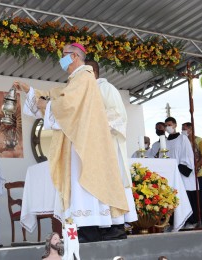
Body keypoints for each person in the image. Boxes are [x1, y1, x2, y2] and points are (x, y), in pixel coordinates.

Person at [14, 43, 129, 243]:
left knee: (83, 183)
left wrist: (46, 105)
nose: (62, 60)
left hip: (84, 144)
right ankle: (88, 229)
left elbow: (67, 105)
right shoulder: (76, 80)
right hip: (80, 142)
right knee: (81, 184)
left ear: (75, 56)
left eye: (64, 55)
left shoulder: (84, 77)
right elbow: (58, 95)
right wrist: (31, 92)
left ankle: (88, 229)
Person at [85, 60, 137, 240]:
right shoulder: (87, 91)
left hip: (109, 147)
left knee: (111, 183)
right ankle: (103, 224)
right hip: (94, 148)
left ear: (92, 72)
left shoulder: (106, 89)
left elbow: (118, 116)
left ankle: (116, 226)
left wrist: (93, 121)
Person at [164, 117, 197, 228]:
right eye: (166, 125)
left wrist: (179, 167)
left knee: (185, 197)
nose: (167, 127)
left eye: (169, 124)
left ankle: (189, 221)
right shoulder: (165, 142)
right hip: (171, 175)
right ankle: (174, 222)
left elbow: (187, 154)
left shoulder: (182, 138)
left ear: (175, 125)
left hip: (182, 173)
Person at [182, 122, 202, 227]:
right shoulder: (183, 142)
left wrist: (197, 166)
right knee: (192, 198)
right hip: (188, 175)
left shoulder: (200, 141)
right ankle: (194, 220)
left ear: (191, 129)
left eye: (185, 129)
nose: (183, 131)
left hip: (200, 174)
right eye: (182, 129)